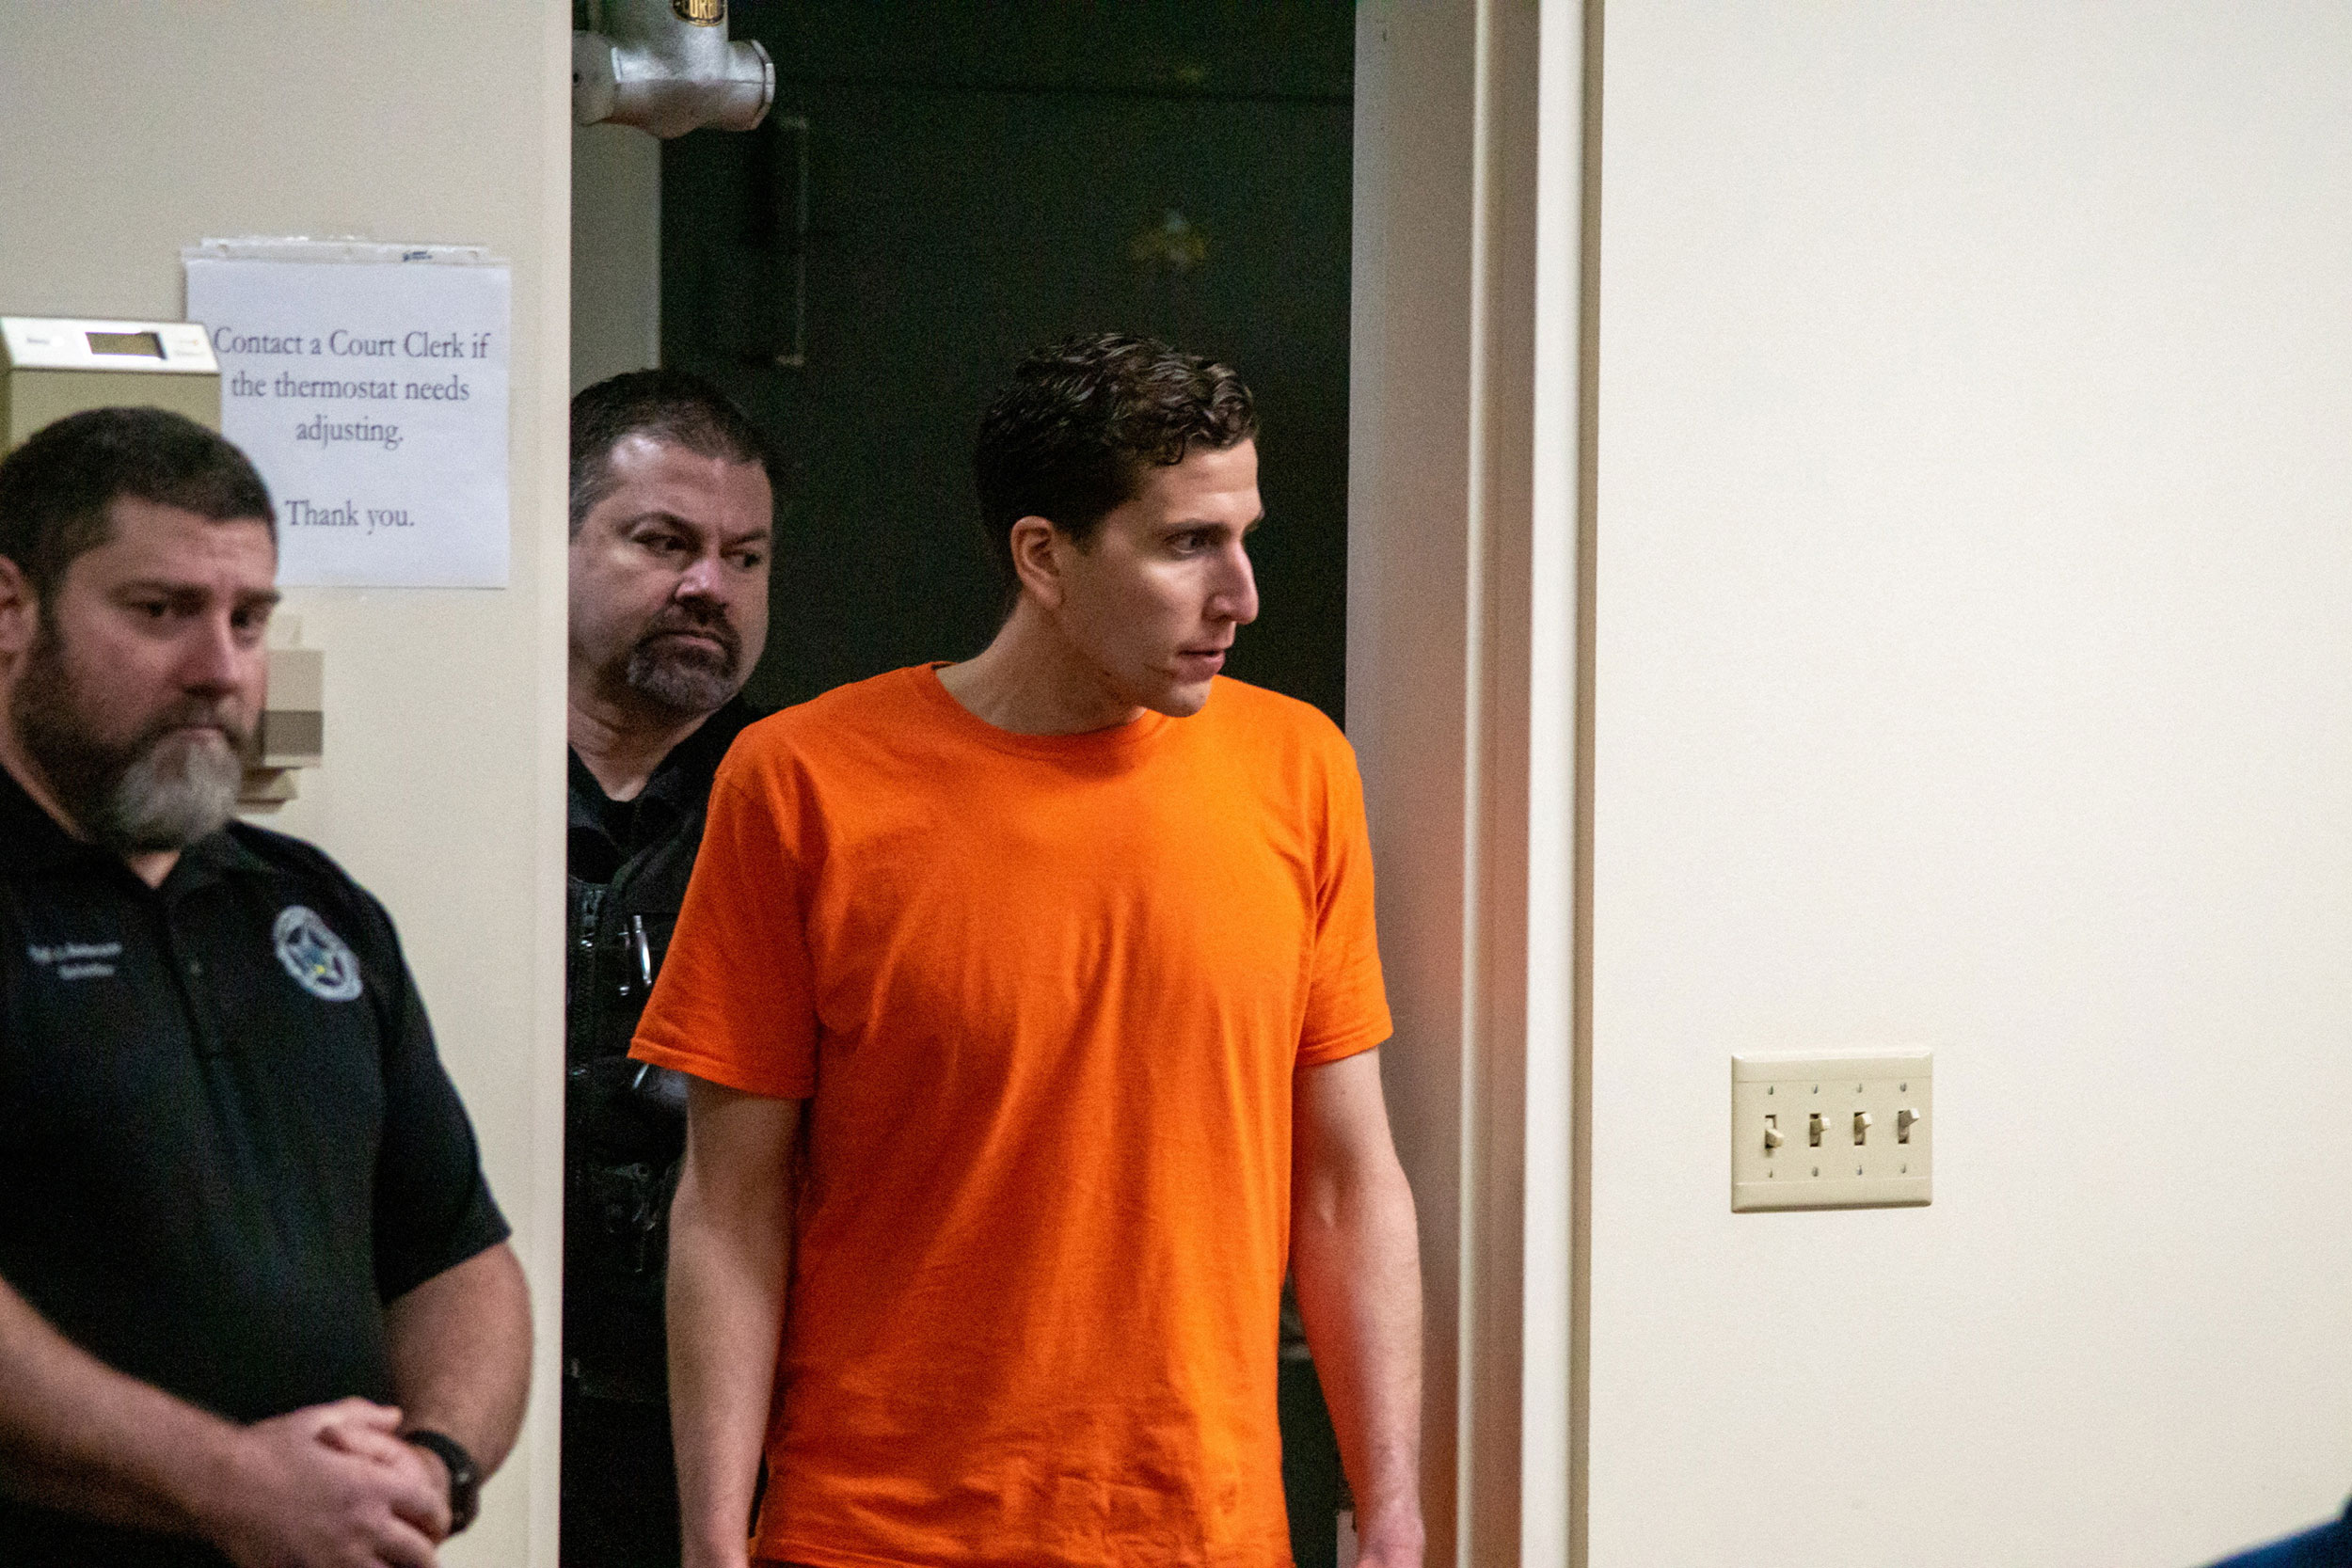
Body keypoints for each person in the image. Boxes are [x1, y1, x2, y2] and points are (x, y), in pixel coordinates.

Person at [635, 333, 1427, 1568]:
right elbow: (730, 1209)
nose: (1243, 593)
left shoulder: (1301, 770)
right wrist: (709, 1540)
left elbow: (1344, 1178)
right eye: (1186, 544)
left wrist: (1392, 1509)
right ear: (1044, 557)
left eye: (1245, 534)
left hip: (1203, 1528)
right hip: (879, 1527)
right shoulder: (803, 783)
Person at [0, 406, 531, 1567]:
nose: (219, 668)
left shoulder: (313, 911)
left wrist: (428, 1465)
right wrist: (226, 1483)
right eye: (162, 611)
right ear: (10, 610)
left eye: (249, 618)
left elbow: (458, 1257)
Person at [564, 370, 775, 1568]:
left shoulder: (809, 804)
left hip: (730, 1437)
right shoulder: (455, 777)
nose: (708, 587)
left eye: (744, 557)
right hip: (476, 1407)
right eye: (663, 542)